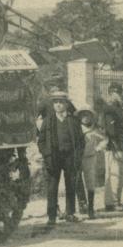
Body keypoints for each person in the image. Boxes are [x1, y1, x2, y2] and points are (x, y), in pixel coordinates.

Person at [36, 90, 84, 225]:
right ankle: (52, 216)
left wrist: (78, 156)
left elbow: (81, 141)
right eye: (56, 103)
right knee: (52, 186)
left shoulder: (73, 120)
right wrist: (46, 154)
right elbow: (41, 141)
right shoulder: (48, 121)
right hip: (54, 157)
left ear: (66, 104)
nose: (58, 105)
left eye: (61, 102)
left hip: (70, 157)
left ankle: (70, 213)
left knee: (70, 185)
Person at [100, 83, 123, 211]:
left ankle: (114, 201)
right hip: (114, 144)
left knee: (118, 173)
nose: (115, 96)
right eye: (113, 93)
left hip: (119, 143)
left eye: (117, 93)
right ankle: (112, 201)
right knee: (114, 173)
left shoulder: (119, 108)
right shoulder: (110, 109)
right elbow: (110, 130)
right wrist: (115, 146)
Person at [77, 109, 106, 219]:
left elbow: (104, 139)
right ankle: (81, 204)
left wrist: (98, 148)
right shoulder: (77, 128)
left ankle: (91, 208)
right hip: (78, 158)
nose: (85, 117)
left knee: (90, 182)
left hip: (90, 158)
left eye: (87, 115)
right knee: (77, 181)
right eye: (83, 115)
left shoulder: (95, 129)